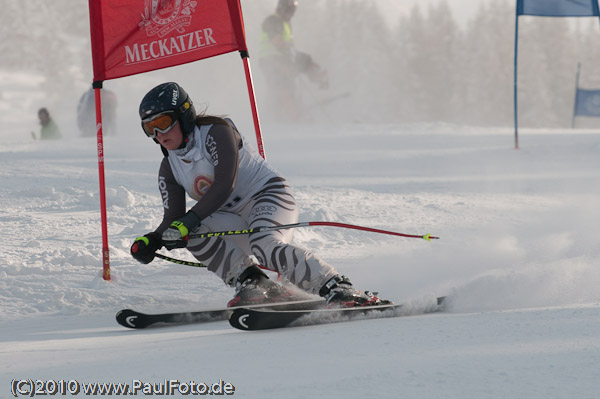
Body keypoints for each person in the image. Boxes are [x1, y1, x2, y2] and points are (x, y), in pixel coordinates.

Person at [130, 82, 389, 308]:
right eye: (149, 127)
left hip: (267, 196)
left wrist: (187, 221)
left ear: (184, 116)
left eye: (163, 123)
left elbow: (224, 185)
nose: (158, 134)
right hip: (229, 215)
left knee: (264, 245)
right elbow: (173, 218)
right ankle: (254, 284)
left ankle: (337, 286)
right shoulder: (169, 167)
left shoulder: (216, 132)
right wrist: (153, 240)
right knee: (190, 232)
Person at [259, 0, 328, 121]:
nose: (291, 14)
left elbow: (287, 45)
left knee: (303, 62)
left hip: (281, 57)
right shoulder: (273, 20)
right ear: (282, 9)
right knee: (283, 87)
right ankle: (291, 117)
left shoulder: (285, 23)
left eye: (293, 11)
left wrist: (295, 57)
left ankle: (318, 77)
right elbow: (277, 41)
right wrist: (289, 59)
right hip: (271, 59)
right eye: (290, 11)